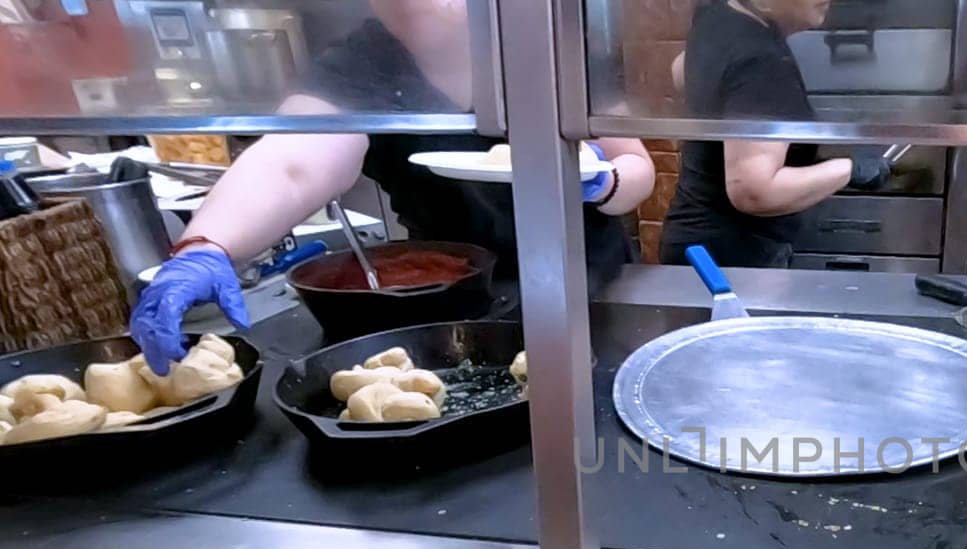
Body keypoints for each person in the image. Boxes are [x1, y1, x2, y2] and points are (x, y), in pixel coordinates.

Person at [131, 0, 655, 374]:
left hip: (583, 278)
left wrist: (601, 183)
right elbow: (292, 160)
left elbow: (636, 169)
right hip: (445, 292)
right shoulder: (361, 62)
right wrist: (205, 247)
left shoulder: (549, 44)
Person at [659, 0, 894, 268]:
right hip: (731, 260)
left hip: (693, 243)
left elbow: (679, 71)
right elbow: (753, 192)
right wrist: (849, 169)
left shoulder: (718, 12)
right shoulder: (759, 60)